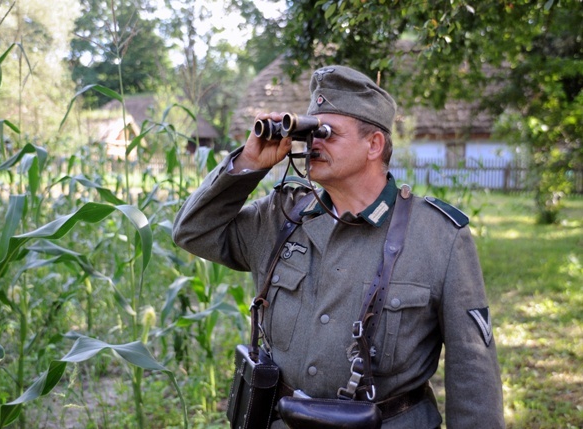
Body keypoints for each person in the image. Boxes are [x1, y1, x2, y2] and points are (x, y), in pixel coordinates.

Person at [172, 65, 505, 428]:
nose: (313, 142)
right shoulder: (280, 216)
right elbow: (192, 231)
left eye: (327, 133)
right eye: (310, 131)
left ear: (374, 144)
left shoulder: (438, 237)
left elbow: (473, 375)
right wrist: (247, 165)